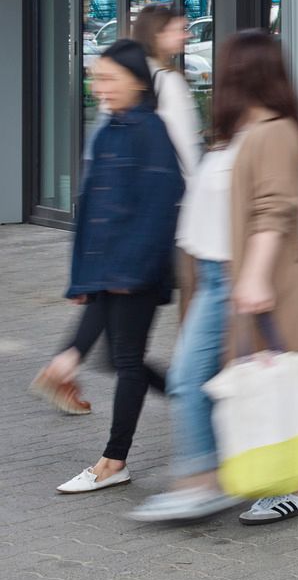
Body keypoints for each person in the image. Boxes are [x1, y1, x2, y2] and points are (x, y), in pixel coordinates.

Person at [135, 28, 298, 527]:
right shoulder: (236, 133)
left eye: (227, 69)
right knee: (220, 380)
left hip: (242, 282)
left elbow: (273, 212)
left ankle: (238, 482)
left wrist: (257, 279)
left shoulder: (276, 132)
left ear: (246, 72)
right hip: (216, 279)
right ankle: (217, 477)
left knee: (207, 379)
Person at [31, 40, 184, 494]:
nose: (98, 87)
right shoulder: (111, 128)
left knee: (127, 363)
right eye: (95, 77)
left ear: (136, 81)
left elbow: (161, 207)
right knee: (122, 361)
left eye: (107, 78)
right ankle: (200, 402)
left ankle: (114, 460)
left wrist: (126, 274)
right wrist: (83, 278)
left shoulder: (149, 131)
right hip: (110, 270)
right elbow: (91, 208)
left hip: (134, 272)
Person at [131, 4, 203, 185]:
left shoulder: (130, 75)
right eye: (179, 30)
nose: (188, 35)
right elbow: (186, 145)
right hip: (168, 187)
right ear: (158, 34)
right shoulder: (169, 81)